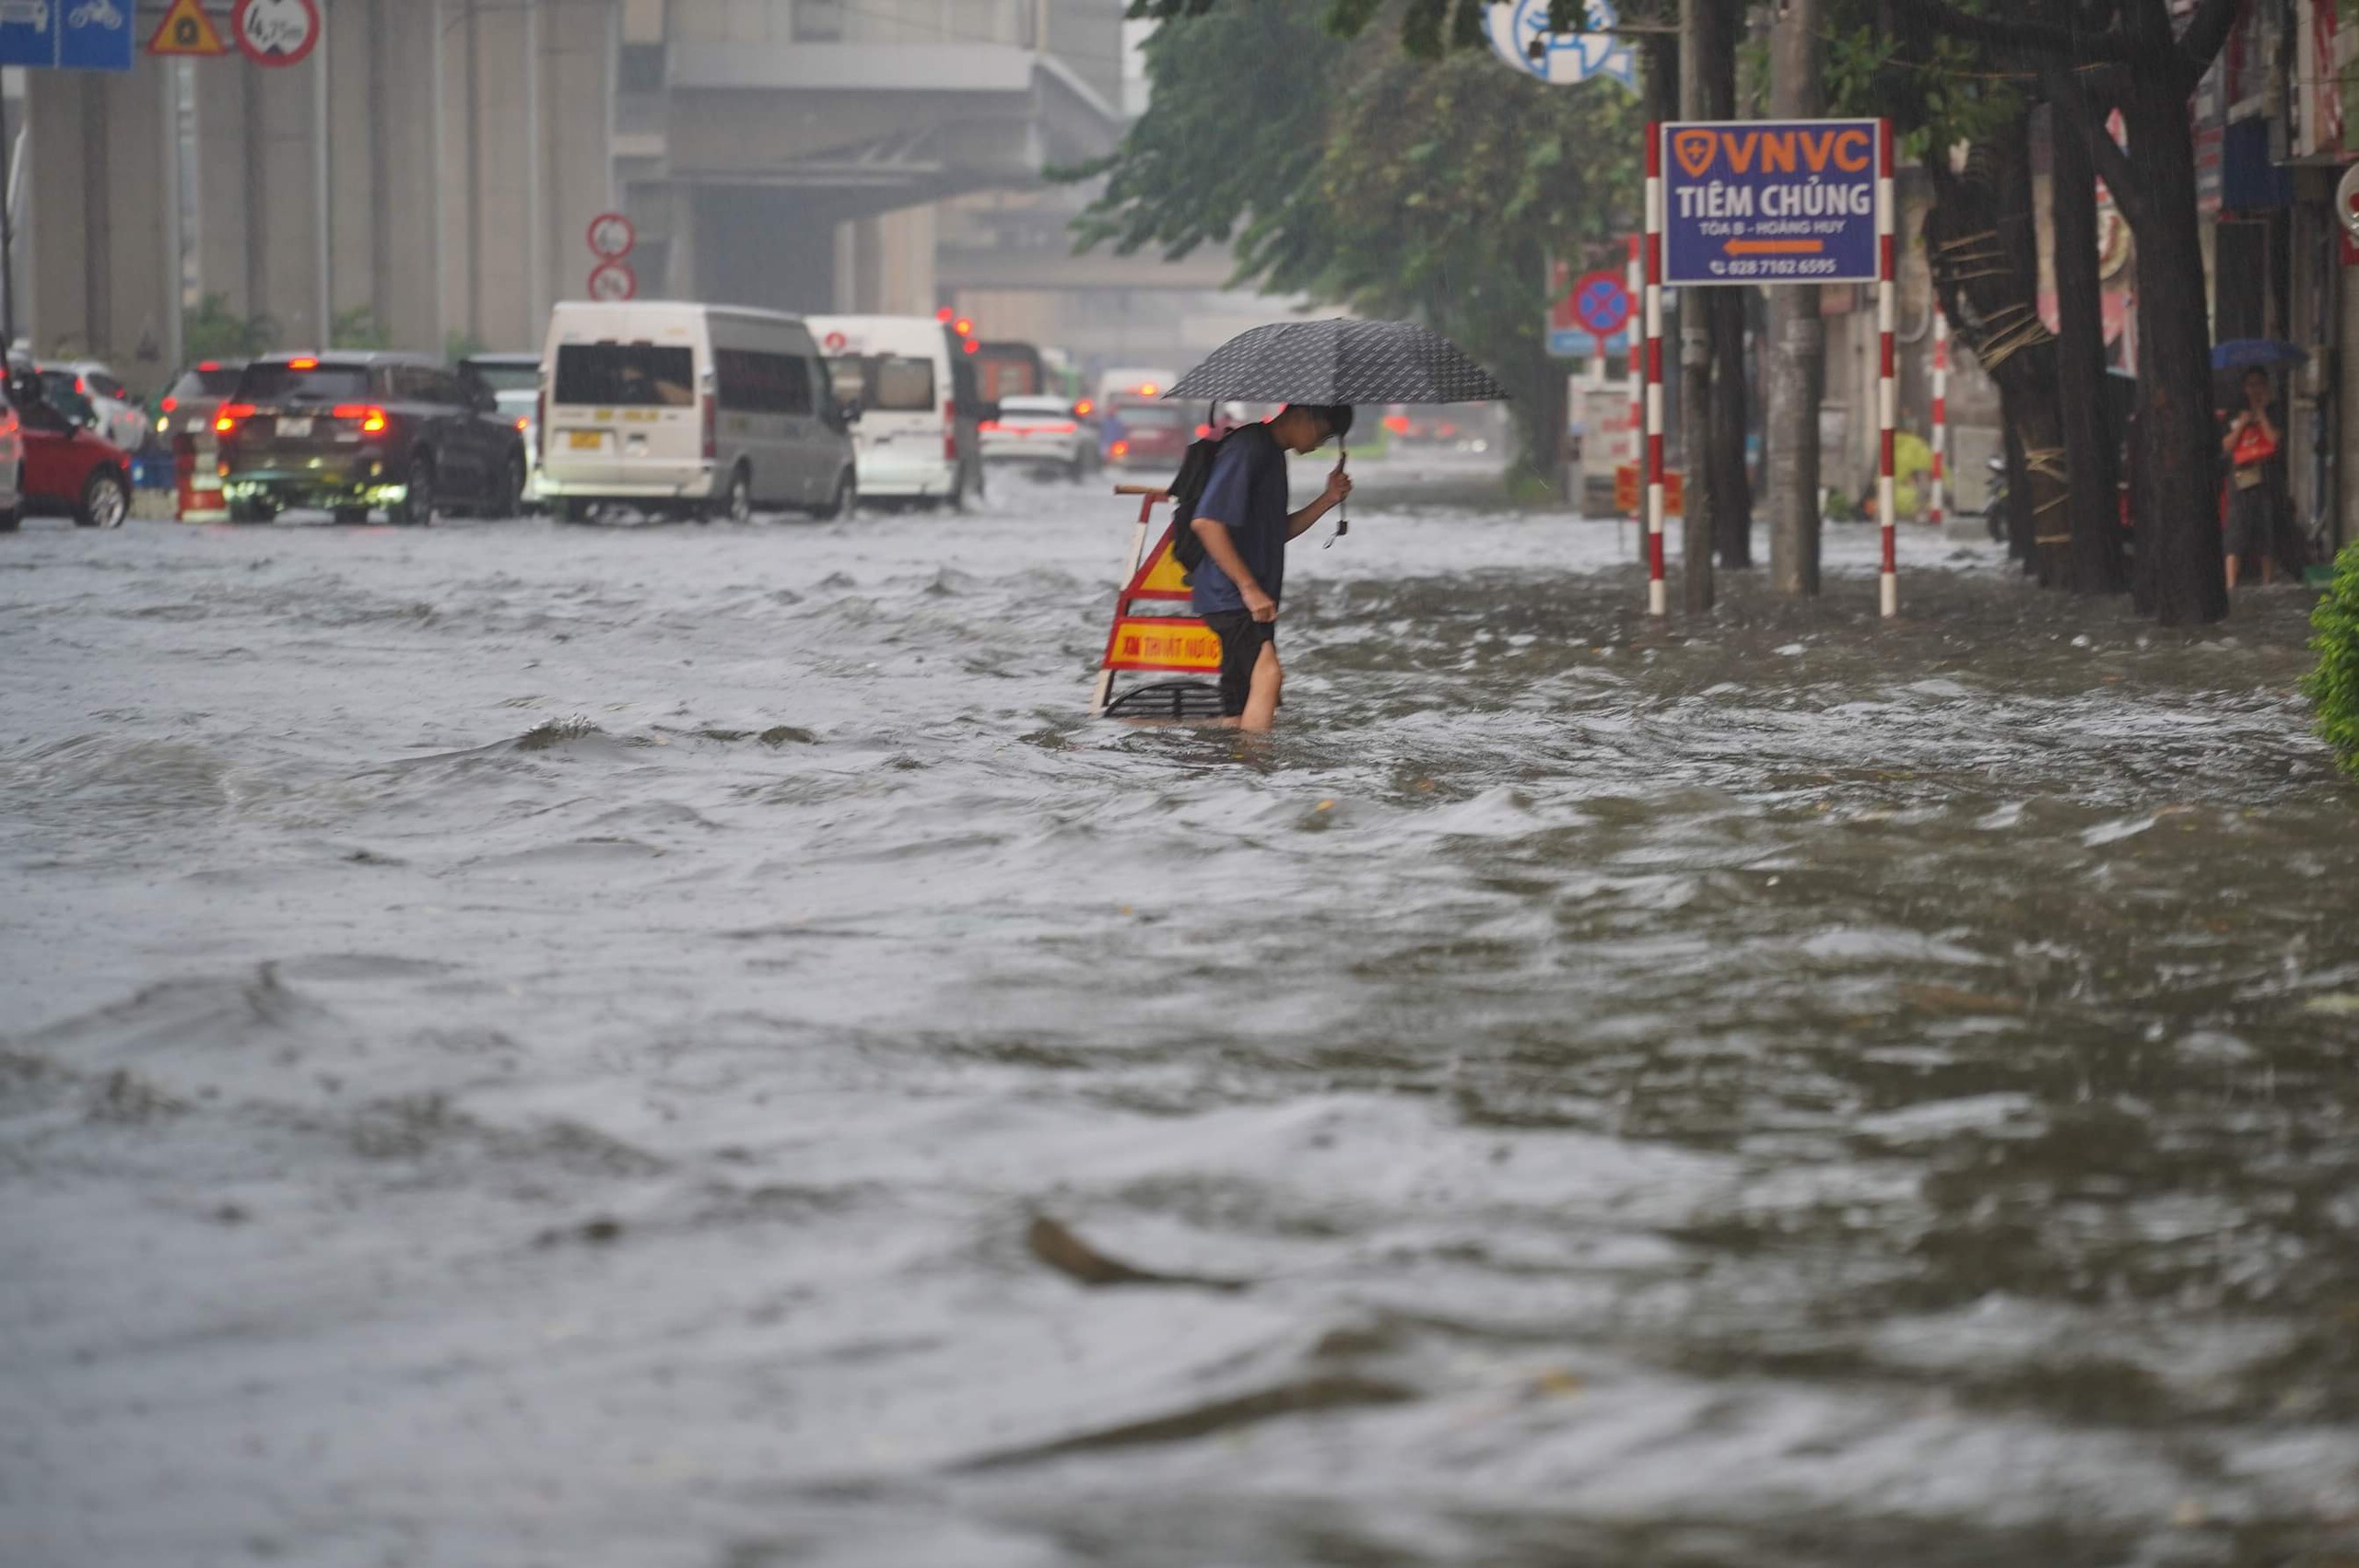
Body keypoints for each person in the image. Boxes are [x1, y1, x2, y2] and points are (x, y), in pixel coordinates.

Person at [1189, 404, 1355, 731]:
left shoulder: (1273, 455)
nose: (1322, 443)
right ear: (1304, 415)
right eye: (1324, 434)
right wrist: (1249, 590)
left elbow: (1278, 531)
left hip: (1253, 600)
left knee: (1241, 701)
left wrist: (1329, 498)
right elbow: (1206, 522)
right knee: (1269, 676)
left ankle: (1232, 768)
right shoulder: (1248, 448)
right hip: (1232, 596)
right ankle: (1259, 769)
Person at [2222, 367, 2285, 590]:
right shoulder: (2235, 412)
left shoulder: (2275, 411)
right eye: (2251, 385)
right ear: (2244, 388)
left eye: (2259, 384)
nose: (2255, 389)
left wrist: (2262, 417)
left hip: (2267, 478)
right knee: (2236, 531)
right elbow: (2227, 446)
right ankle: (2231, 583)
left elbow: (2275, 440)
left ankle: (2268, 580)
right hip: (2240, 479)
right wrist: (2242, 423)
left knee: (2266, 529)